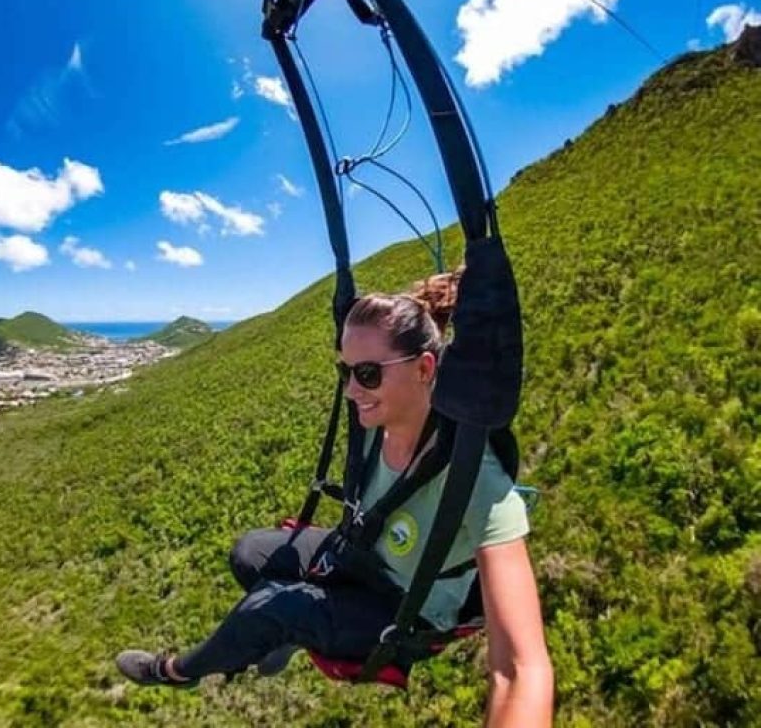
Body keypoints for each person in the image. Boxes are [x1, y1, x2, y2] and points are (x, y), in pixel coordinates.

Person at [116, 272, 554, 726]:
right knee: (248, 554)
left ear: (425, 369)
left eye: (367, 374)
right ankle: (292, 633)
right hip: (362, 555)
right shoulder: (370, 429)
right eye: (346, 371)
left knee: (273, 608)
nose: (351, 390)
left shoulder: (472, 476)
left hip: (405, 607)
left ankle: (177, 671)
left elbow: (523, 669)